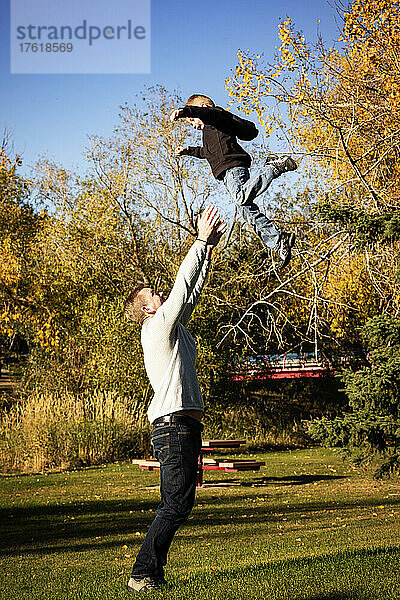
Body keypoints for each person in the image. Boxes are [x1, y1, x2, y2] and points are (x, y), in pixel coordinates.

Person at [124, 206, 226, 593]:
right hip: (173, 427)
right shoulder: (155, 328)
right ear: (148, 308)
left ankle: (149, 572)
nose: (162, 294)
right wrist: (199, 239)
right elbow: (183, 286)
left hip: (181, 426)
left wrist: (209, 249)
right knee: (177, 505)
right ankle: (143, 572)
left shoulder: (174, 327)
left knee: (176, 503)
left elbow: (191, 290)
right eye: (155, 294)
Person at [170, 94, 297, 268]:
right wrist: (187, 151)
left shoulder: (216, 116)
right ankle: (278, 240)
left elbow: (206, 114)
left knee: (240, 197)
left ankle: (274, 167)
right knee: (246, 211)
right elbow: (206, 152)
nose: (194, 126)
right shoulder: (209, 133)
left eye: (193, 121)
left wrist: (184, 112)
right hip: (226, 174)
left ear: (203, 109)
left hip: (233, 168)